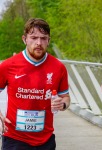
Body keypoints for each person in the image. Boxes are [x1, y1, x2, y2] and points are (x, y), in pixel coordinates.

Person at [0, 18, 70, 150]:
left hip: (45, 139)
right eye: (34, 37)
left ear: (48, 41)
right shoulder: (8, 65)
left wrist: (63, 103)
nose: (39, 43)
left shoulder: (59, 67)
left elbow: (65, 97)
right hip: (15, 138)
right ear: (24, 39)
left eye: (43, 38)